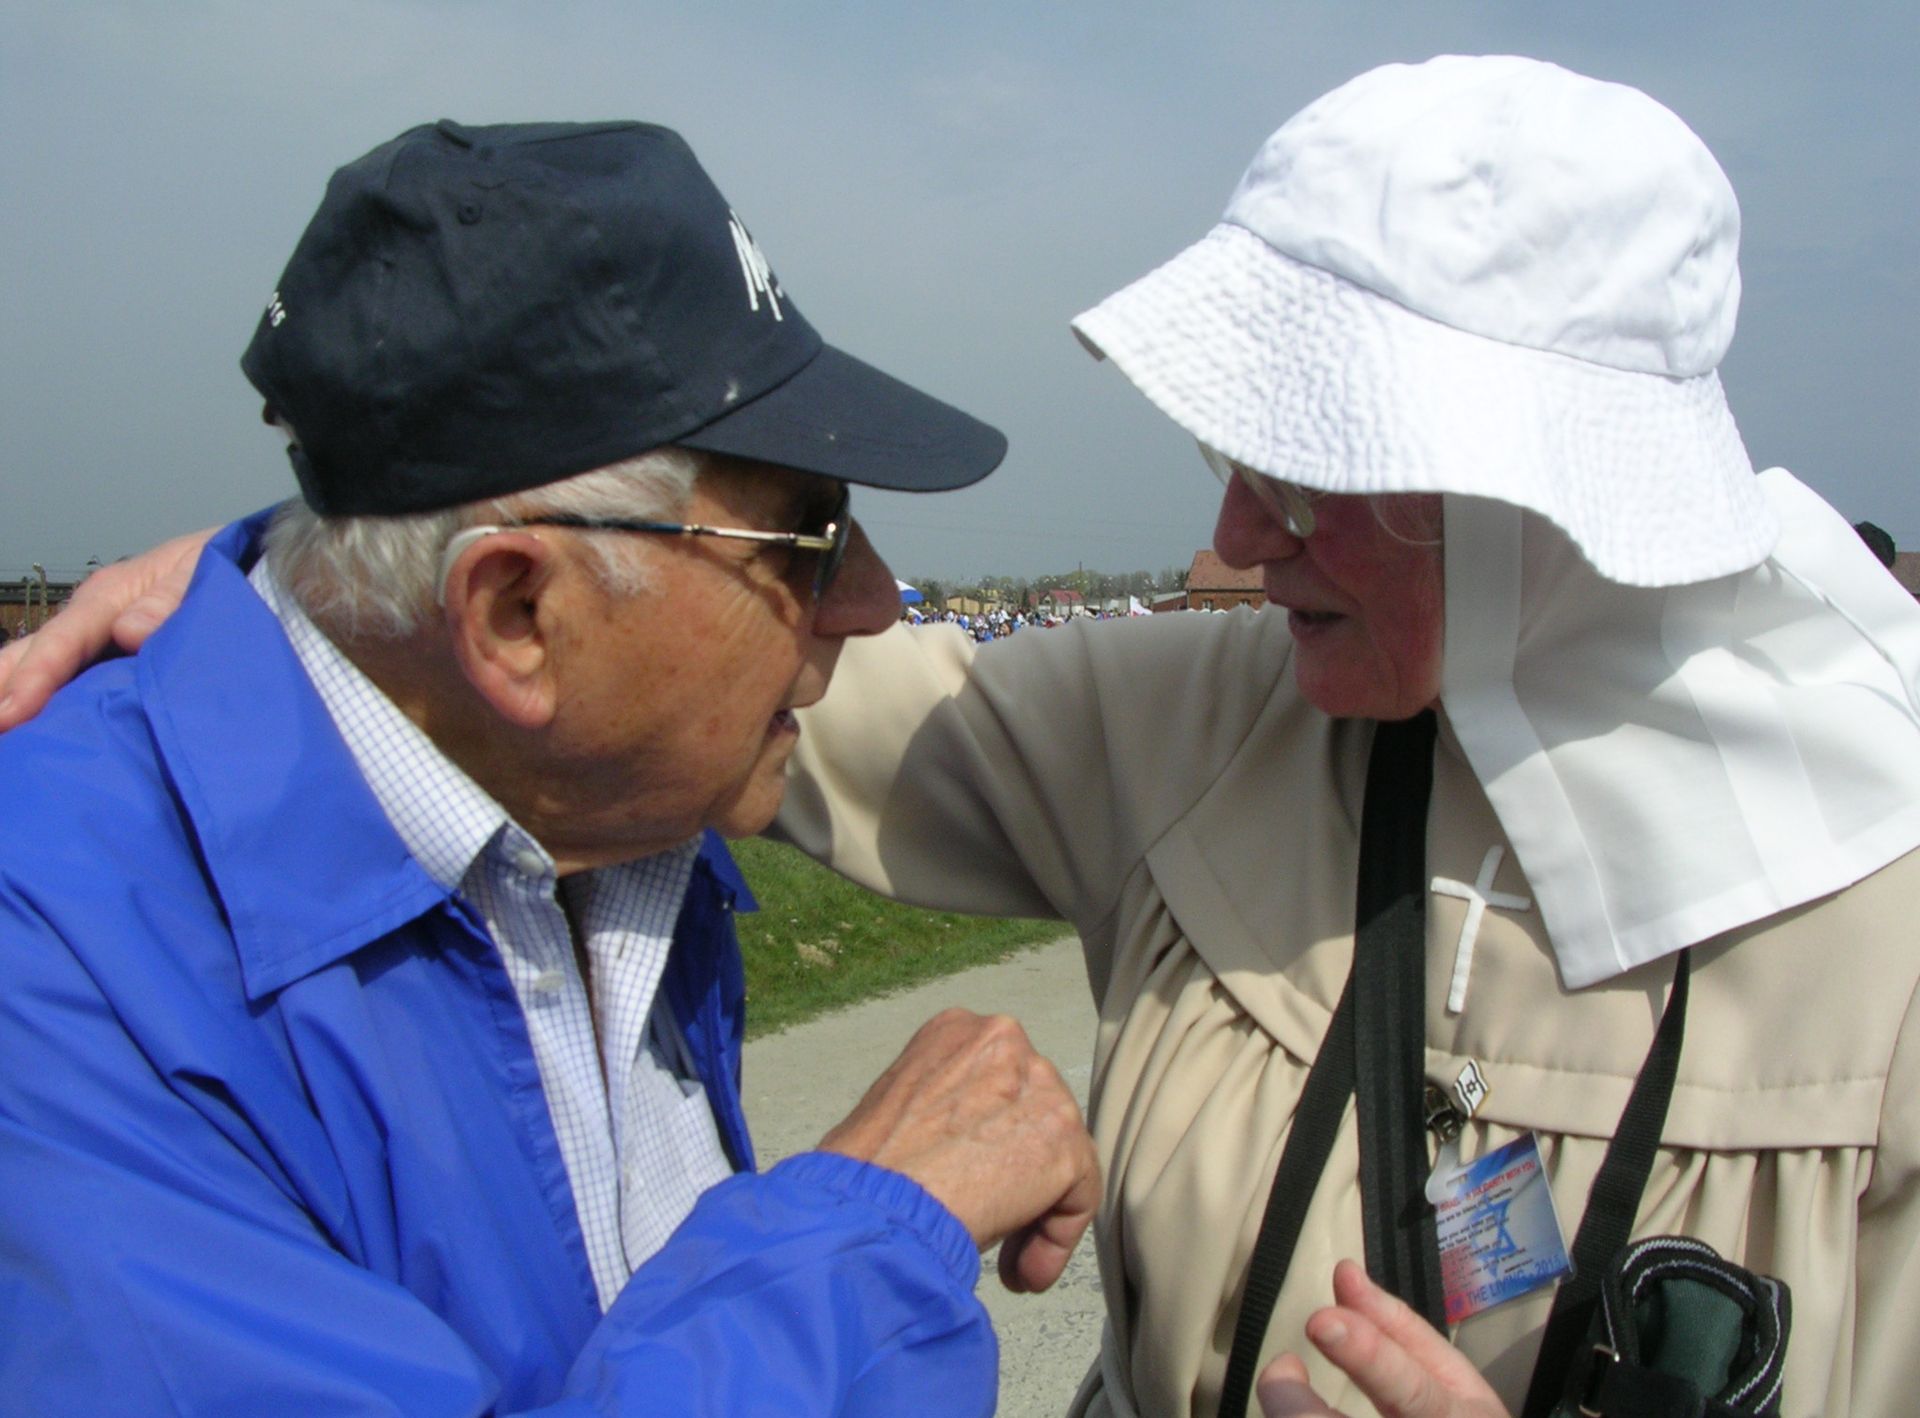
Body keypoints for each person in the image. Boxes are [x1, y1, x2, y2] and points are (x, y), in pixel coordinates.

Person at [14, 57, 1920, 1418]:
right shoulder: (1195, 725)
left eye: (1314, 468)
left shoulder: (1890, 921)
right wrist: (323, 573)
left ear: (1546, 509)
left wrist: (389, 578)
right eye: (1235, 455)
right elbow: (607, 679)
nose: (1234, 538)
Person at [0, 119, 1098, 1416]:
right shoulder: (62, 980)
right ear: (518, 615)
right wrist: (872, 1231)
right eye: (810, 536)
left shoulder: (602, 815)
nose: (870, 601)